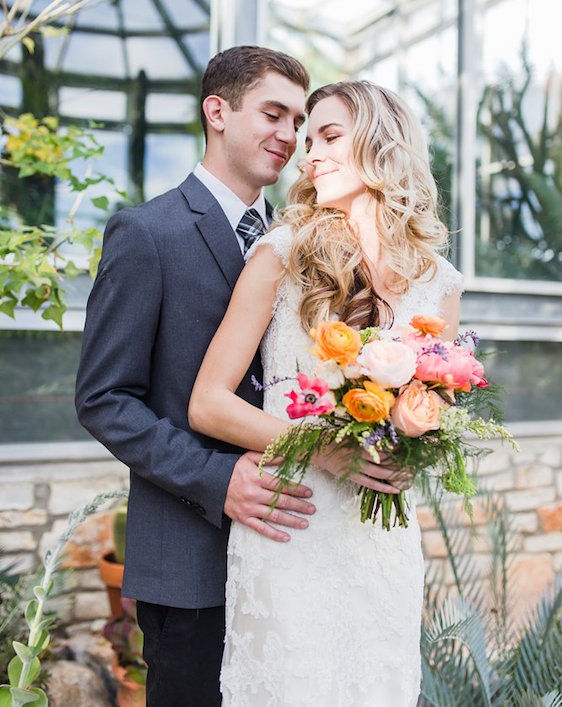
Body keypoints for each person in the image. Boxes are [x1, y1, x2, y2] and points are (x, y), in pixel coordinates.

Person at [75, 51, 401, 707]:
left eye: (299, 121)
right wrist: (217, 478)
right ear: (217, 112)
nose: (288, 134)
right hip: (189, 562)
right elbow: (104, 399)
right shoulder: (147, 232)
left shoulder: (308, 238)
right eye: (273, 113)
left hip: (299, 551)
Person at [189, 80, 464, 706]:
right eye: (309, 141)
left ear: (382, 143)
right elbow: (209, 401)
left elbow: (435, 405)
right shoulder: (282, 254)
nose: (308, 153)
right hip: (293, 522)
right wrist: (321, 450)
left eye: (329, 136)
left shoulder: (438, 281)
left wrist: (410, 451)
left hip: (380, 538)